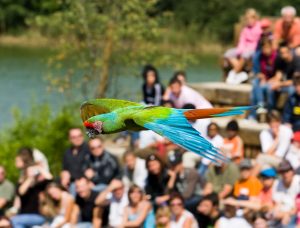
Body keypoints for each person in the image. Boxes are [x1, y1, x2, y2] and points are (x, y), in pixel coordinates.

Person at [11, 148, 53, 228]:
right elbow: (21, 192)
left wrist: (39, 168)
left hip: (38, 216)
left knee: (14, 221)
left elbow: (50, 180)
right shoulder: (21, 182)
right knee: (17, 224)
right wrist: (30, 178)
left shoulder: (39, 185)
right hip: (23, 216)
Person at [224, 8, 262, 84]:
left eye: (251, 18)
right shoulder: (245, 29)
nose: (249, 20)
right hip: (243, 48)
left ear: (255, 18)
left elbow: (257, 43)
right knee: (228, 54)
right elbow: (242, 41)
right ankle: (239, 73)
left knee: (245, 55)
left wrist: (245, 50)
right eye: (247, 19)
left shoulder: (259, 28)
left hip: (253, 49)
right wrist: (240, 50)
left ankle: (233, 73)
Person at [268, 42, 300, 109]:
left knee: (292, 91)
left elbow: (296, 81)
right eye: (281, 53)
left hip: (294, 85)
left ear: (289, 52)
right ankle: (271, 111)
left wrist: (280, 84)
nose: (283, 55)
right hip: (284, 84)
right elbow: (278, 75)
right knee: (269, 87)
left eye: (285, 52)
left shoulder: (297, 61)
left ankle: (289, 114)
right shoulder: (280, 60)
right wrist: (273, 82)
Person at [250, 40, 278, 118]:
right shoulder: (259, 56)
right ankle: (256, 111)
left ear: (271, 47)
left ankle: (269, 113)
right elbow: (256, 71)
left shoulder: (276, 57)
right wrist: (261, 76)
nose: (265, 50)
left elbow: (279, 75)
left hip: (273, 80)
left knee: (268, 88)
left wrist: (267, 81)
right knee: (255, 85)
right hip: (263, 79)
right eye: (263, 48)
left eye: (267, 48)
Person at [61, 128, 90, 193]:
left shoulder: (90, 149)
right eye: (74, 137)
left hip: (85, 182)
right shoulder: (67, 152)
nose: (77, 139)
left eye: (79, 136)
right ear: (69, 139)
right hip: (70, 183)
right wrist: (64, 174)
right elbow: (65, 169)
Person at [272, 160, 299, 227]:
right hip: (282, 215)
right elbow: (277, 205)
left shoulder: (298, 181)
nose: (285, 174)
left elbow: (297, 206)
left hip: (296, 216)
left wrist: (287, 214)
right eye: (282, 172)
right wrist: (283, 214)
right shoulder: (277, 184)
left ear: (292, 171)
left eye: (287, 171)